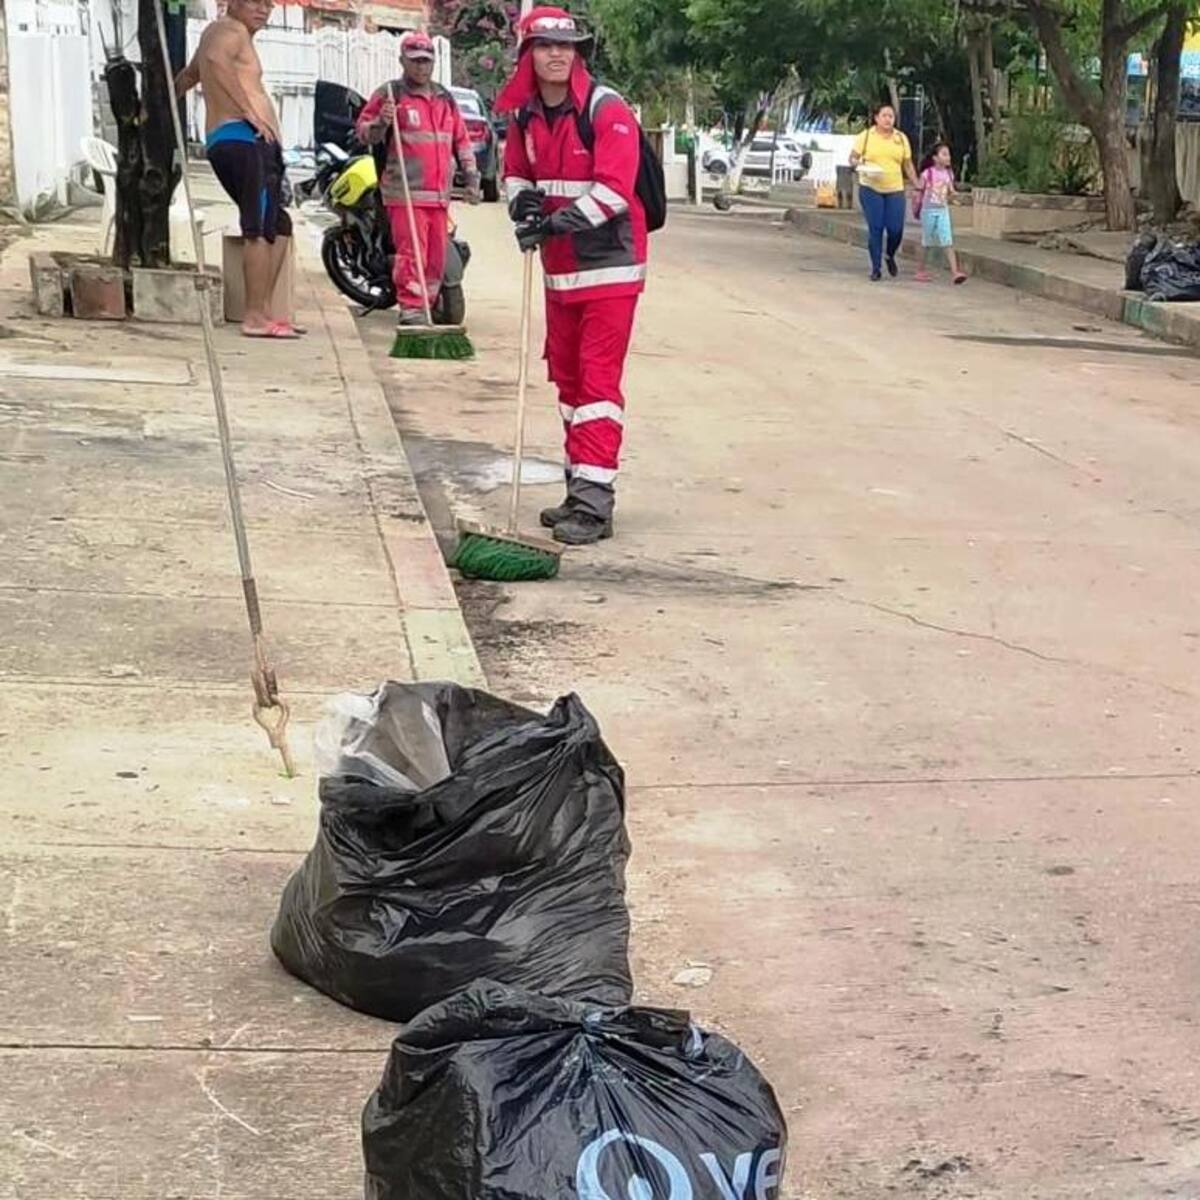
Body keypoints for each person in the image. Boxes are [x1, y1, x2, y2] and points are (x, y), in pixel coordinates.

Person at [495, 6, 647, 546]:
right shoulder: (524, 116)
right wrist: (523, 207)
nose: (557, 54)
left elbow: (613, 191)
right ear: (527, 55)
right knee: (568, 384)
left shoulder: (607, 110)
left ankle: (594, 502)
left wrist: (553, 222)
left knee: (598, 386)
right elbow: (514, 173)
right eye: (544, 46)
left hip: (609, 269)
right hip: (560, 275)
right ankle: (579, 482)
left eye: (567, 46)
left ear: (578, 53)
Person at [175, 0, 300, 339]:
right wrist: (249, 111)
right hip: (242, 139)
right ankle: (255, 316)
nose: (263, 10)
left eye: (268, 4)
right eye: (254, 2)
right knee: (257, 226)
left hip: (247, 141)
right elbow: (214, 61)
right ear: (232, 3)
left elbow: (191, 74)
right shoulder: (227, 29)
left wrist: (163, 101)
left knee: (279, 223)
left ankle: (266, 311)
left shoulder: (227, 34)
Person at [355, 32, 480, 328]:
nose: (421, 68)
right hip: (405, 193)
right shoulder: (390, 94)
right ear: (402, 61)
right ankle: (411, 307)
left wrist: (472, 176)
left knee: (435, 257)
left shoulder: (444, 98)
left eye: (426, 62)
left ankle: (430, 302)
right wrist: (382, 122)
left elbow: (461, 140)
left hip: (438, 195)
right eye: (415, 62)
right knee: (412, 254)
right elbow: (364, 133)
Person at [848, 103, 917, 281]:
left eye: (891, 116)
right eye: (884, 115)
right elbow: (853, 157)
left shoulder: (900, 138)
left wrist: (917, 183)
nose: (888, 119)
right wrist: (858, 163)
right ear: (876, 118)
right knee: (876, 227)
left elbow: (907, 164)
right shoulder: (866, 137)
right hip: (870, 187)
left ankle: (890, 255)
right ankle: (876, 267)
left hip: (894, 188)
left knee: (896, 229)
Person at [913, 142, 967, 285]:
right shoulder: (927, 173)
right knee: (926, 241)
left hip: (943, 210)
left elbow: (950, 191)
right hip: (928, 211)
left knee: (947, 240)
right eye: (944, 154)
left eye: (948, 154)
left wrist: (956, 197)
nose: (948, 157)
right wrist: (916, 202)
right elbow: (919, 190)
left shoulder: (949, 174)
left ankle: (955, 272)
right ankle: (920, 269)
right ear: (935, 158)